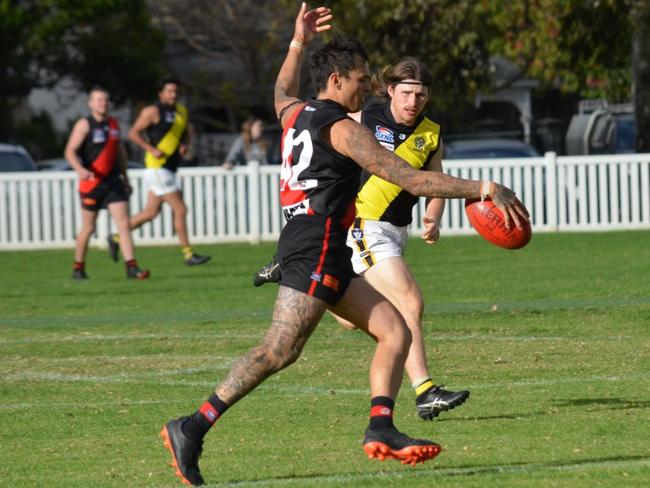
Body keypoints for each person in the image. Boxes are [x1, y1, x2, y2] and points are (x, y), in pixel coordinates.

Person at [160, 4, 528, 486]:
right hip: (317, 243)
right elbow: (408, 178)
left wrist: (297, 41)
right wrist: (484, 189)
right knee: (279, 350)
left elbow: (280, 91)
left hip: (321, 243)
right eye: (358, 79)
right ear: (336, 80)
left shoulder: (296, 112)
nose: (366, 89)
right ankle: (193, 425)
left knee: (394, 330)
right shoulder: (341, 128)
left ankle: (382, 427)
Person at [254, 58, 470, 420]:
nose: (412, 102)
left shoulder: (431, 134)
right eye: (406, 93)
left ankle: (303, 274)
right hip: (365, 225)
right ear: (390, 91)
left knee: (351, 318)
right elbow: (319, 132)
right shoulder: (364, 118)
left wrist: (433, 217)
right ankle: (425, 392)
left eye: (420, 95)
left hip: (396, 232)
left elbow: (435, 181)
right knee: (409, 301)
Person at [107, 76, 211, 266]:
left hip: (169, 168)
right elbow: (133, 133)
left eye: (176, 91)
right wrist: (151, 149)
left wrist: (184, 145)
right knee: (180, 209)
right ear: (161, 93)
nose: (173, 95)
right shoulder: (152, 111)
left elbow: (186, 134)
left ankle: (115, 237)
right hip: (157, 168)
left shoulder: (181, 111)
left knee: (150, 212)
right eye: (169, 91)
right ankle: (188, 254)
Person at [64, 87, 150, 280]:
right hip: (92, 183)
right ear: (91, 103)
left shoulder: (113, 124)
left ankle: (131, 267)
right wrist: (80, 170)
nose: (103, 103)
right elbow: (70, 151)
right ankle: (78, 267)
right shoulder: (84, 125)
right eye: (99, 100)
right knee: (88, 228)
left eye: (105, 100)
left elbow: (119, 152)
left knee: (124, 224)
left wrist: (125, 177)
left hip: (113, 182)